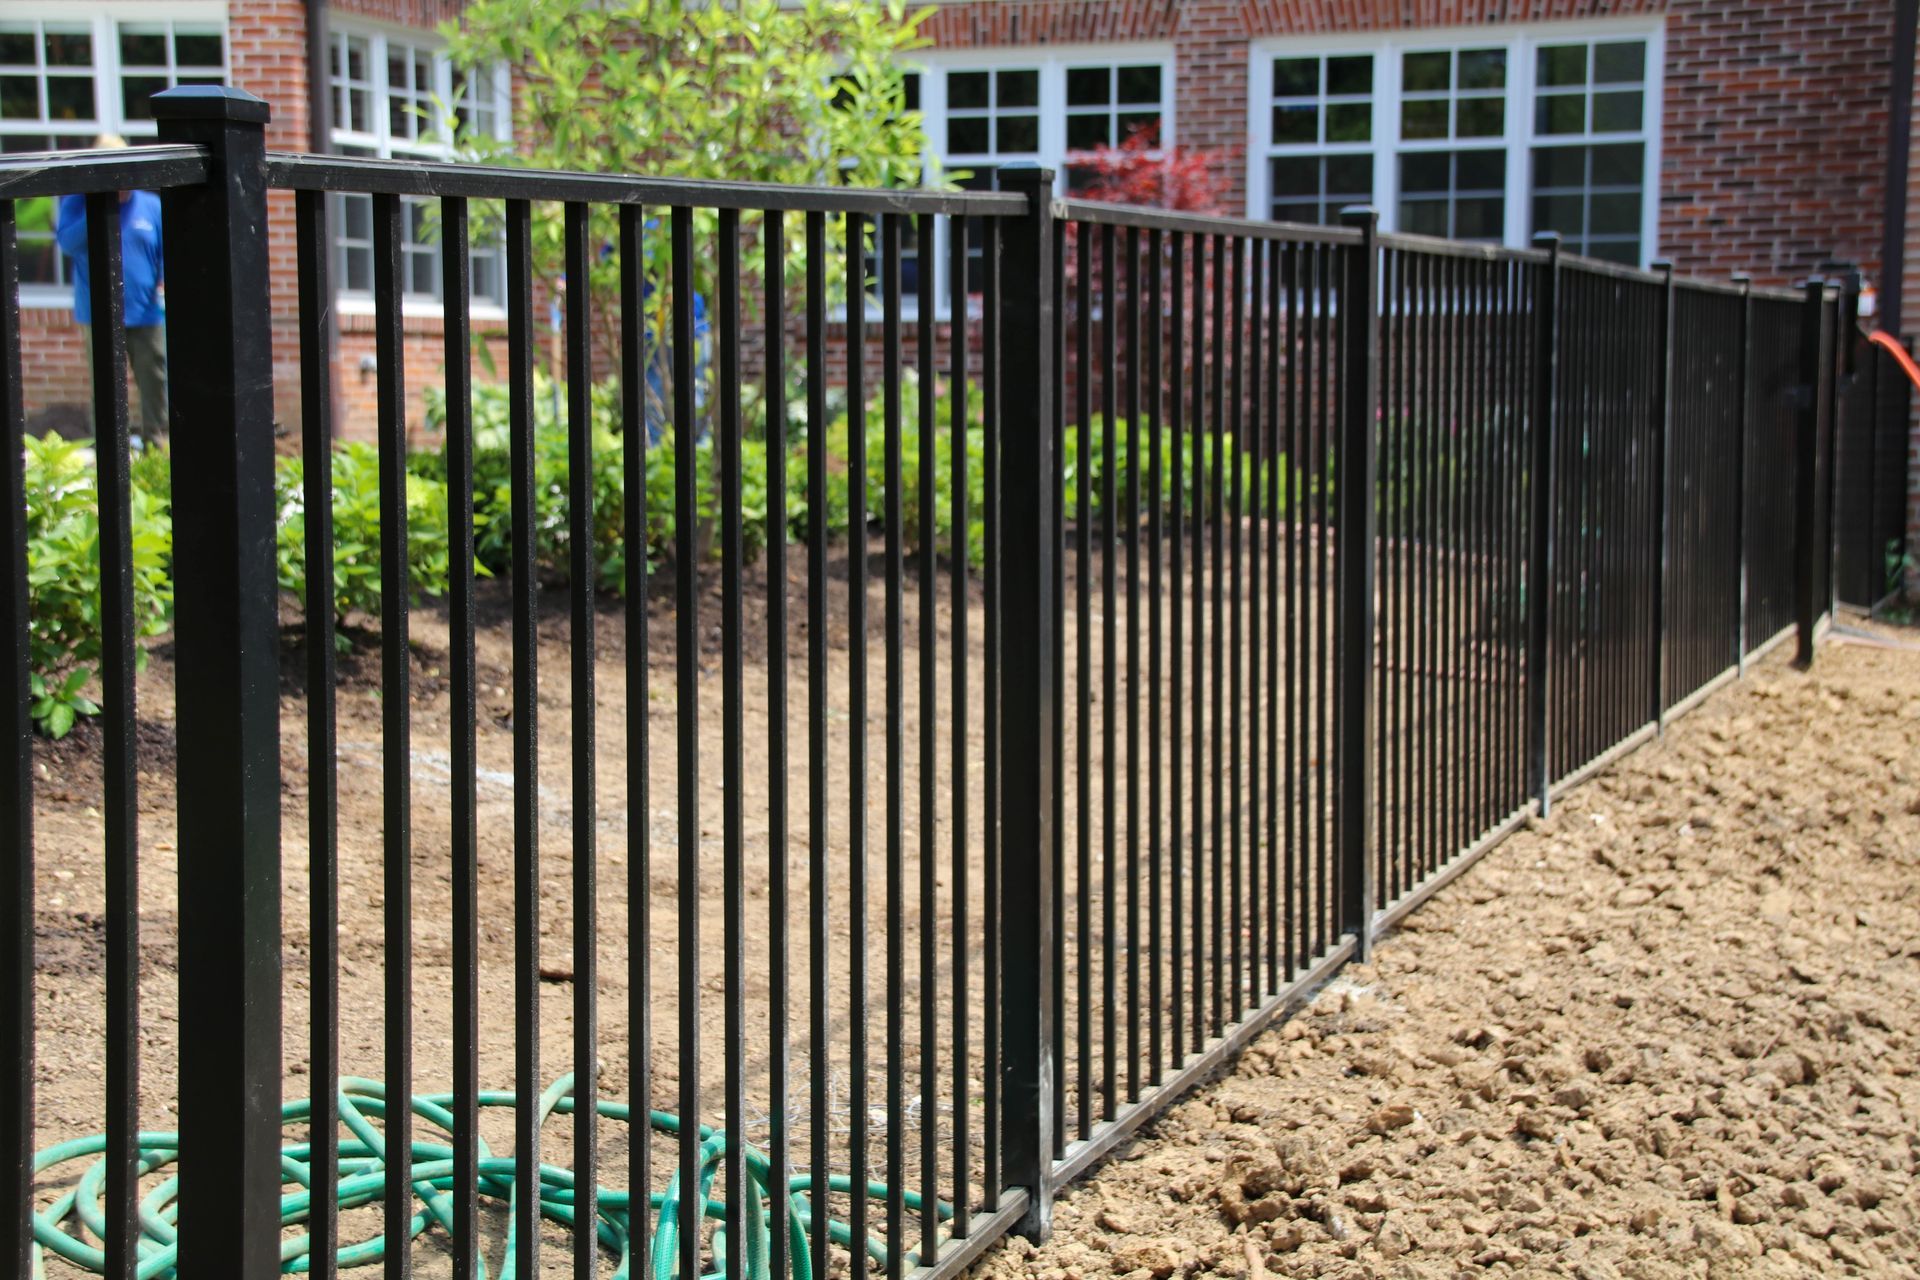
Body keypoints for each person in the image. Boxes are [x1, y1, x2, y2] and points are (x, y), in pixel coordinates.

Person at [55, 134, 168, 442]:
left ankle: (154, 446)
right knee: (106, 385)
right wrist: (101, 206)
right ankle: (108, 447)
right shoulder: (77, 201)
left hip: (146, 311)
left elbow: (164, 252)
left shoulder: (151, 205)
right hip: (98, 312)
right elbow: (67, 243)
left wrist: (162, 280)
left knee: (155, 380)